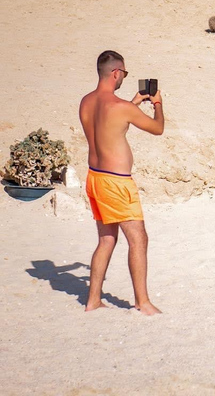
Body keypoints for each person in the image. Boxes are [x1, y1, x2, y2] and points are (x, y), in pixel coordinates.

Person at [79, 50, 164, 315]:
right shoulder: (121, 108)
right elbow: (157, 129)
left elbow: (111, 123)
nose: (123, 78)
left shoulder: (86, 102)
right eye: (124, 74)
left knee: (106, 240)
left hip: (95, 177)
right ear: (116, 72)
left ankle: (93, 300)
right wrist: (158, 104)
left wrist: (133, 102)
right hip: (117, 183)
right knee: (138, 239)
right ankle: (143, 301)